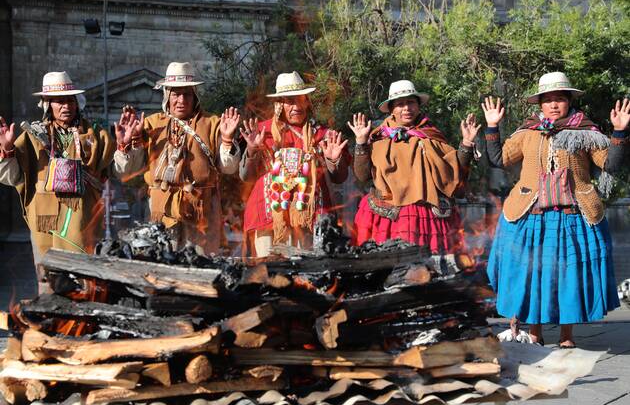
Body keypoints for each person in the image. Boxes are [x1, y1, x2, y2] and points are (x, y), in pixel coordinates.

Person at [483, 71, 630, 348]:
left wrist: (619, 132)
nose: (553, 105)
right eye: (548, 100)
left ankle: (566, 335)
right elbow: (498, 159)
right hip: (531, 214)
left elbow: (610, 164)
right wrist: (492, 127)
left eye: (559, 99)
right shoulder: (527, 133)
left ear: (569, 101)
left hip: (572, 216)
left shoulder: (586, 132)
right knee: (533, 272)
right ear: (539, 104)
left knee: (567, 274)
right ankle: (535, 332)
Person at [0, 71, 115, 290]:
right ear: (47, 105)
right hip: (46, 227)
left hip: (83, 223)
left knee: (84, 284)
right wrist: (7, 151)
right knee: (50, 288)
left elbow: (117, 168)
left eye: (70, 100)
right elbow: (12, 177)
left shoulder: (95, 135)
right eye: (59, 101)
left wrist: (130, 145)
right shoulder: (32, 137)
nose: (66, 106)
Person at [113, 62, 241, 255]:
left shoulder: (213, 124)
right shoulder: (151, 124)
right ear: (167, 96)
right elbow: (126, 171)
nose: (181, 100)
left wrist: (227, 139)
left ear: (195, 96)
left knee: (201, 268)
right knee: (162, 265)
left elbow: (229, 168)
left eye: (187, 94)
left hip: (201, 211)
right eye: (175, 94)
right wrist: (127, 144)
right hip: (160, 211)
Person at [350, 80, 479, 253]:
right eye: (400, 104)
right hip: (388, 215)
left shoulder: (431, 135)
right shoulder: (378, 137)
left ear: (418, 106)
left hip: (428, 216)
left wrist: (466, 144)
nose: (406, 108)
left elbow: (455, 175)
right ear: (391, 109)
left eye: (410, 102)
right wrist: (360, 143)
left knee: (429, 270)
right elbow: (362, 175)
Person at [240, 71, 350, 257]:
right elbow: (246, 177)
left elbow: (340, 177)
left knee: (305, 272)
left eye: (300, 99)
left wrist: (333, 160)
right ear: (279, 104)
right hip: (269, 213)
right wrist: (251, 151)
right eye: (289, 101)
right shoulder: (260, 132)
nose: (296, 106)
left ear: (307, 101)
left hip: (309, 214)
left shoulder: (323, 135)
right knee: (268, 270)